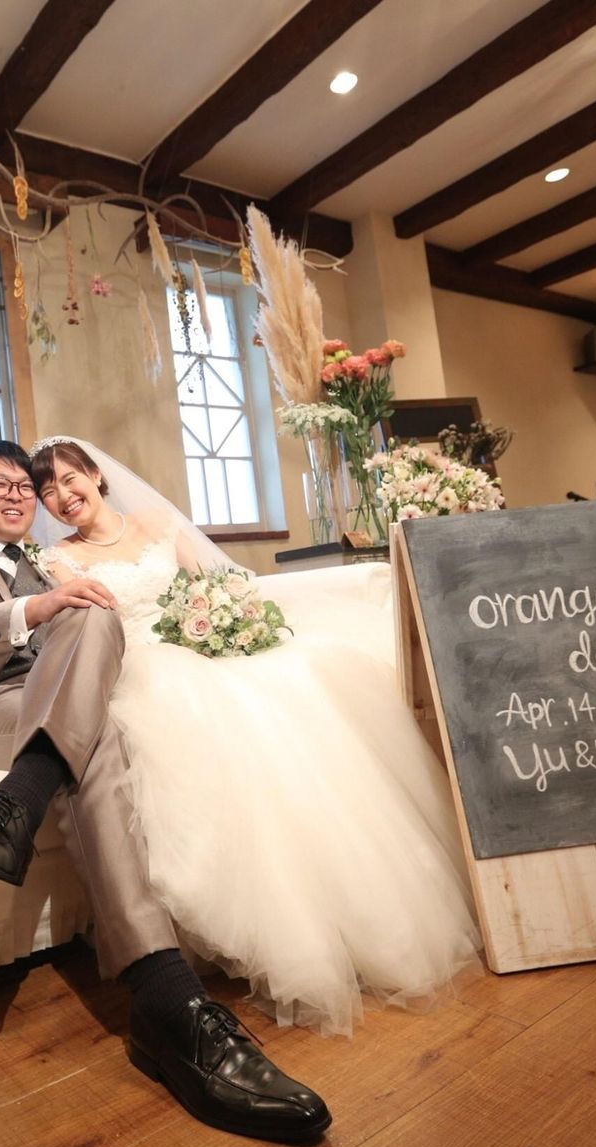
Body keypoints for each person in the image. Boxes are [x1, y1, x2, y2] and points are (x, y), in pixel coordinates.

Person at [0, 440, 331, 1146]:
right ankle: (168, 1001)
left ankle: (25, 815)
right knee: (88, 690)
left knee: (96, 706)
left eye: (25, 487)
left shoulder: (53, 558)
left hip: (63, 699)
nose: (17, 495)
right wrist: (39, 605)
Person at [28, 436, 482, 1037]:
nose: (62, 497)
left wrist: (228, 625)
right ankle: (272, 936)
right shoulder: (59, 561)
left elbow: (214, 586)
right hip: (143, 668)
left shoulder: (158, 523)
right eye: (48, 491)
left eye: (69, 479)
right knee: (196, 711)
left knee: (306, 680)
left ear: (95, 475)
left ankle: (348, 911)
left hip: (204, 647)